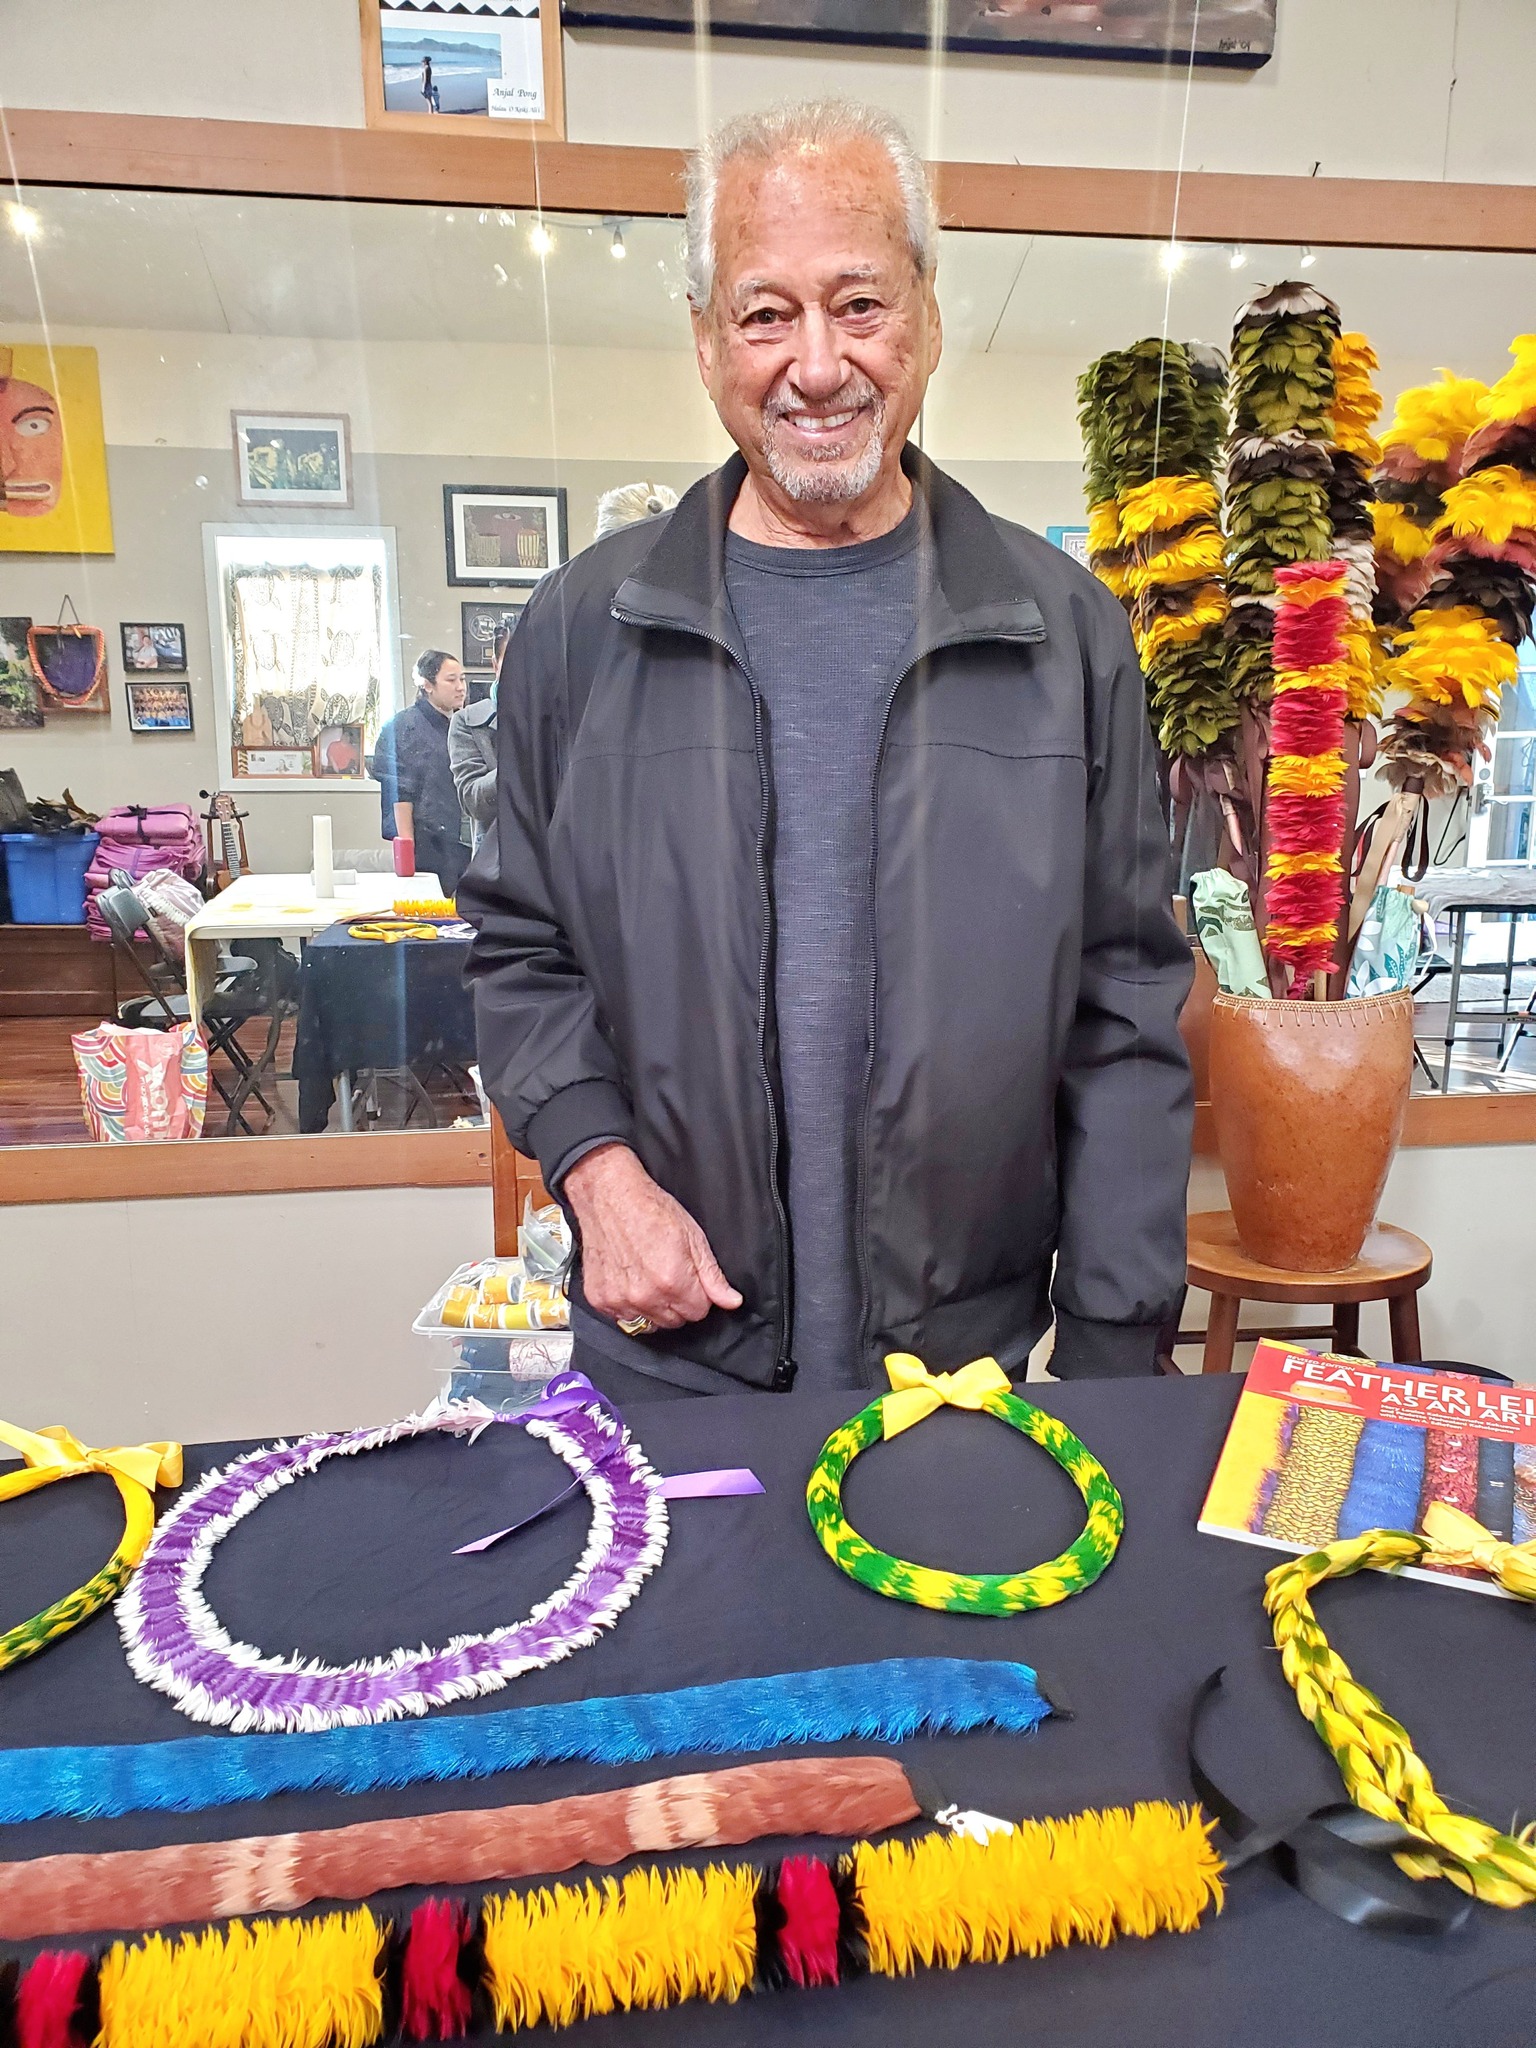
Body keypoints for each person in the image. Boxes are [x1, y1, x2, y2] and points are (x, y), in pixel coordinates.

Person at [462, 98, 1192, 1403]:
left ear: (927, 317)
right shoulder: (583, 630)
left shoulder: (1063, 633)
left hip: (967, 1371)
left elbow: (1126, 1013)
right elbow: (522, 950)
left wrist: (1113, 1361)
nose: (816, 365)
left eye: (859, 305)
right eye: (766, 314)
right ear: (705, 340)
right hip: (671, 1359)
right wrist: (599, 1173)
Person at [374, 649, 470, 894]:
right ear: (427, 685)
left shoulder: (465, 724)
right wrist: (408, 859)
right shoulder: (402, 727)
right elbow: (400, 795)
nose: (460, 687)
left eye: (462, 679)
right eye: (451, 680)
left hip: (465, 840)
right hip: (427, 844)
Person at [448, 626, 513, 855]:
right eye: (512, 661)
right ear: (495, 665)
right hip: (498, 861)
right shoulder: (468, 722)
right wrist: (523, 759)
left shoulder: (571, 717)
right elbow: (473, 801)